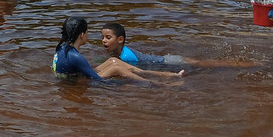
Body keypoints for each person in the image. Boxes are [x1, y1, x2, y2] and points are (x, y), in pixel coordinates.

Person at [52, 17, 183, 82]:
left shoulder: (63, 48)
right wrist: (118, 82)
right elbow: (97, 81)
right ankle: (155, 83)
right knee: (116, 67)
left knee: (113, 61)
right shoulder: (74, 56)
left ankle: (165, 74)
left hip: (73, 78)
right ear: (82, 35)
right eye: (87, 32)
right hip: (75, 82)